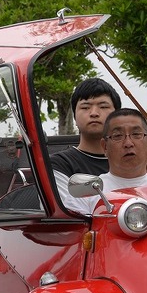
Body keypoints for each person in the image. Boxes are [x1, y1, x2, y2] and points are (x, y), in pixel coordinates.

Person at [64, 108, 147, 215]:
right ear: (105, 147)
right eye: (118, 136)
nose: (128, 143)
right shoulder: (85, 195)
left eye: (136, 134)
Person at [51, 78, 121, 207]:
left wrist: (143, 173)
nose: (94, 113)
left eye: (103, 106)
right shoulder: (60, 164)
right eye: (85, 107)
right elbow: (73, 212)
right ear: (75, 117)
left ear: (117, 116)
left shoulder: (129, 159)